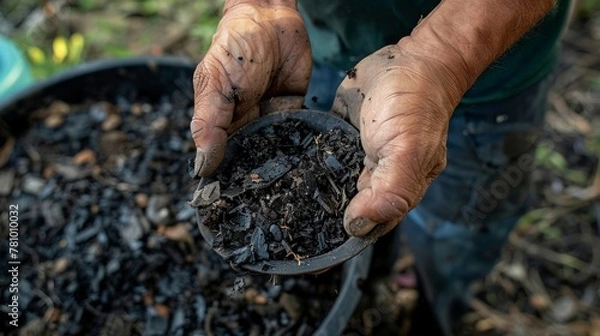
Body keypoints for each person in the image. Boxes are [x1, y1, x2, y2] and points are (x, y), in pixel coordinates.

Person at [190, 0, 573, 334]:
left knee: (457, 232)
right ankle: (379, 278)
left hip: (490, 72)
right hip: (317, 42)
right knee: (374, 196)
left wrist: (442, 57)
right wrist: (262, 8)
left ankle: (435, 312)